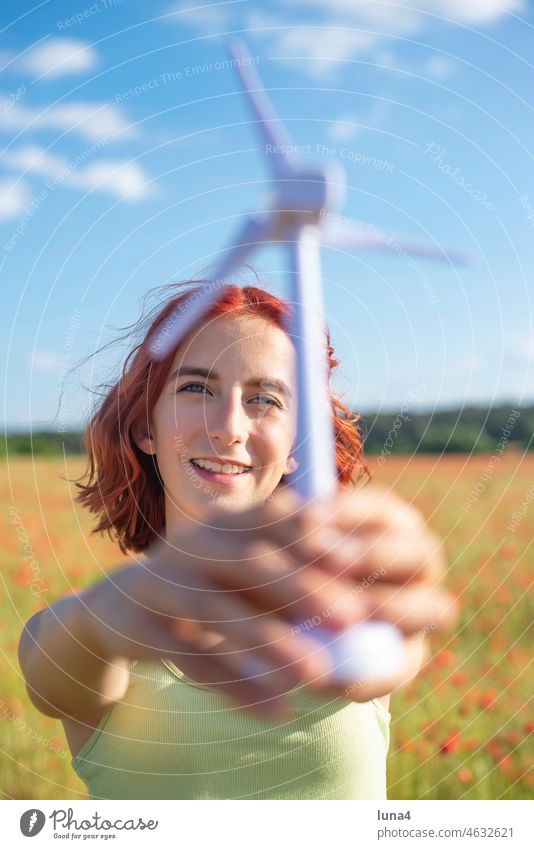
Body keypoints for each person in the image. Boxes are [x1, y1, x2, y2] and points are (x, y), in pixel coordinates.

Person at [19, 280, 457, 800]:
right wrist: (112, 615)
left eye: (265, 399)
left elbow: (379, 657)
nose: (229, 427)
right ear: (145, 429)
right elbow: (71, 655)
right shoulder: (84, 632)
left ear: (301, 442)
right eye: (196, 388)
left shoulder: (350, 614)